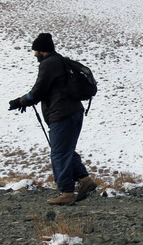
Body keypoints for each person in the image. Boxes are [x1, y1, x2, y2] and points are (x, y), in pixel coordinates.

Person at [8, 33, 97, 205]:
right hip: (73, 112)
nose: (34, 54)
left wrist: (21, 101)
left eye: (36, 51)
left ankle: (66, 192)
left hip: (62, 114)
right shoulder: (60, 61)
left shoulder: (49, 64)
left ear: (42, 50)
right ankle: (85, 180)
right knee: (64, 149)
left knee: (59, 153)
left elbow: (38, 90)